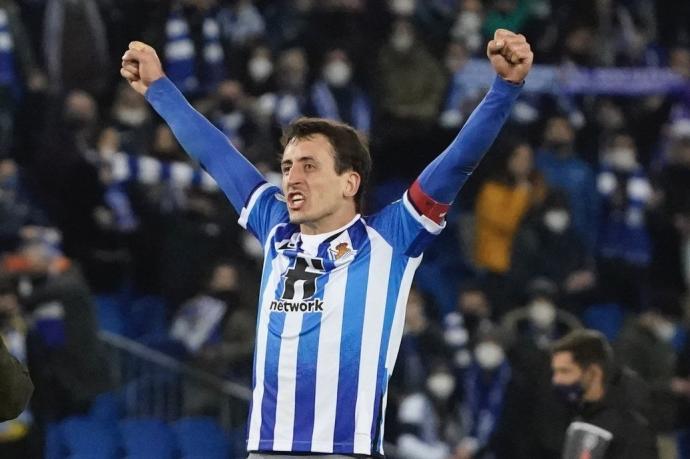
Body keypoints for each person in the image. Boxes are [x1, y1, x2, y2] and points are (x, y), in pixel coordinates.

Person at [120, 28, 533, 457]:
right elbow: (217, 155)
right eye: (287, 166)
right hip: (266, 449)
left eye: (310, 166)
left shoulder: (390, 237)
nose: (293, 178)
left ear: (349, 181)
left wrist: (504, 89)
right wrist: (159, 89)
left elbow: (457, 163)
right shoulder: (276, 228)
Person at [551, 329, 658, 459]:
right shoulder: (580, 416)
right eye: (555, 372)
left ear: (593, 372)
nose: (556, 380)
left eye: (565, 371)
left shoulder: (631, 429)